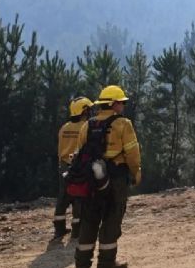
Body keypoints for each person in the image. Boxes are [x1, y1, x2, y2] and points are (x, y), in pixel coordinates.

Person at [74, 85, 141, 268]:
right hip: (116, 179)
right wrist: (136, 172)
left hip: (91, 181)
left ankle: (82, 263)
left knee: (89, 220)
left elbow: (79, 153)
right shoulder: (123, 124)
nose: (123, 106)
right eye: (121, 102)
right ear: (113, 104)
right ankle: (106, 263)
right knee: (112, 220)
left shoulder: (87, 125)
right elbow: (132, 154)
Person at [52, 96, 93, 240]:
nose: (90, 112)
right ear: (84, 111)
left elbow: (59, 149)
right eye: (88, 109)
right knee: (79, 197)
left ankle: (59, 228)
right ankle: (77, 229)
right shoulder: (86, 126)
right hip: (78, 165)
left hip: (63, 164)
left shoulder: (64, 127)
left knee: (63, 196)